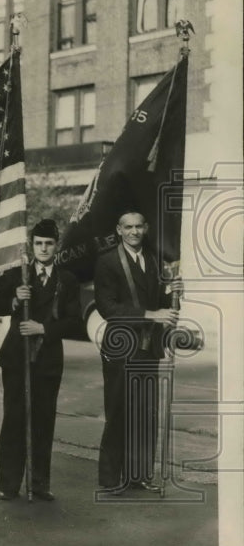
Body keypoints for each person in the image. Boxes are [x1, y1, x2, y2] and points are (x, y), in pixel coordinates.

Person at [0, 219, 82, 501]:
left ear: (57, 246)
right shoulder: (17, 275)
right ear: (31, 245)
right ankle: (9, 484)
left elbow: (75, 321)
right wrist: (14, 299)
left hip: (48, 359)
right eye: (38, 243)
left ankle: (39, 483)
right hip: (17, 358)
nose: (43, 248)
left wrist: (44, 329)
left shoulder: (67, 280)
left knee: (43, 420)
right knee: (14, 419)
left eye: (49, 243)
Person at [94, 209, 181, 494]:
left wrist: (175, 292)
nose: (134, 232)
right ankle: (110, 478)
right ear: (119, 230)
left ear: (146, 228)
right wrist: (151, 315)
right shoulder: (107, 261)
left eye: (139, 226)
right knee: (118, 411)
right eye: (128, 227)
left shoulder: (153, 261)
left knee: (145, 413)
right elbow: (108, 308)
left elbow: (161, 302)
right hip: (121, 348)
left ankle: (140, 475)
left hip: (147, 349)